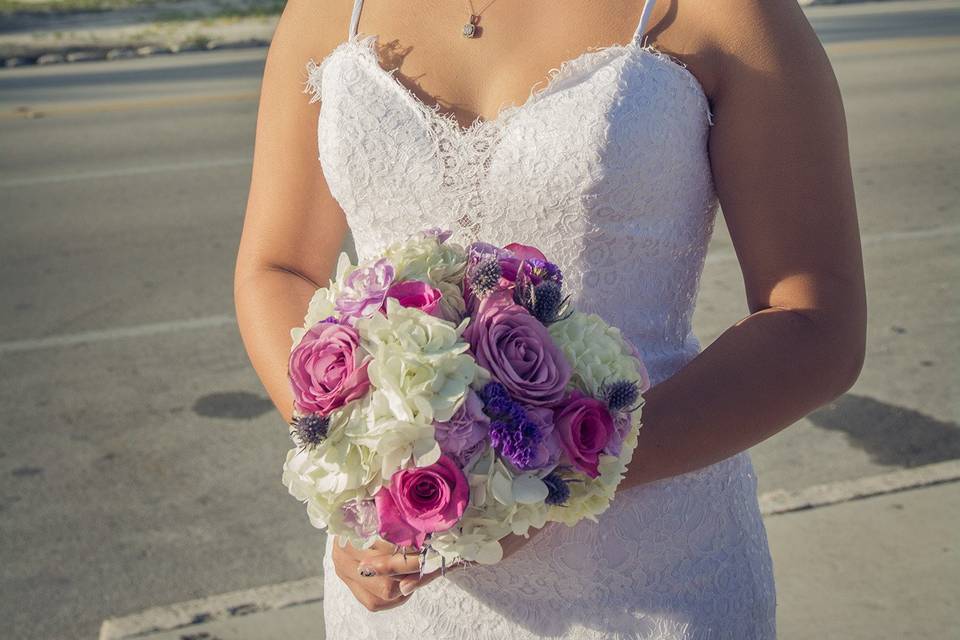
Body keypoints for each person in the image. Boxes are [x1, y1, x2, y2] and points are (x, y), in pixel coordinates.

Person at [234, 0, 867, 637]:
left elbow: (814, 323)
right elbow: (279, 267)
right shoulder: (329, 10)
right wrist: (363, 473)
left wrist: (549, 479)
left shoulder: (727, 11)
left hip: (652, 579)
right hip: (404, 590)